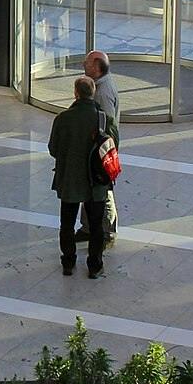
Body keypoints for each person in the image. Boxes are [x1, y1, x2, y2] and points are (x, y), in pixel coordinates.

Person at [48, 76, 115, 279]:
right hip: (95, 182)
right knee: (96, 225)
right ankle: (94, 265)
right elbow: (113, 147)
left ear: (76, 93)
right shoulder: (103, 119)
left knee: (67, 223)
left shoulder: (62, 118)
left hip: (69, 179)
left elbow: (53, 149)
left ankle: (68, 262)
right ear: (93, 93)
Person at [78, 50, 121, 247]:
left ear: (96, 67)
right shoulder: (101, 86)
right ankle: (88, 228)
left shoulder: (102, 93)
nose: (83, 65)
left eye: (87, 63)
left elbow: (106, 127)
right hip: (96, 151)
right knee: (90, 190)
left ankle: (107, 232)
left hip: (100, 153)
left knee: (103, 193)